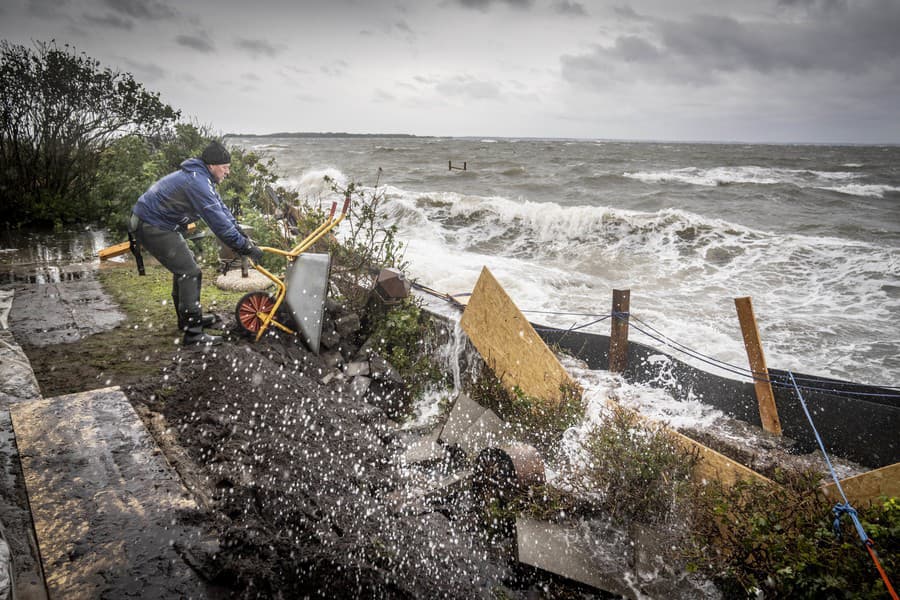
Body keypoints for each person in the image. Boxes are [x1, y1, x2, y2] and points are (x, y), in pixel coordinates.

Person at [130, 140, 263, 346]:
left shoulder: (202, 178)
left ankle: (187, 322)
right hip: (152, 225)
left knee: (186, 267)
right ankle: (193, 334)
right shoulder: (197, 182)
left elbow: (222, 210)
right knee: (189, 272)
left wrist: (242, 236)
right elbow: (217, 223)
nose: (227, 172)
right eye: (225, 168)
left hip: (159, 223)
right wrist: (243, 247)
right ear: (212, 165)